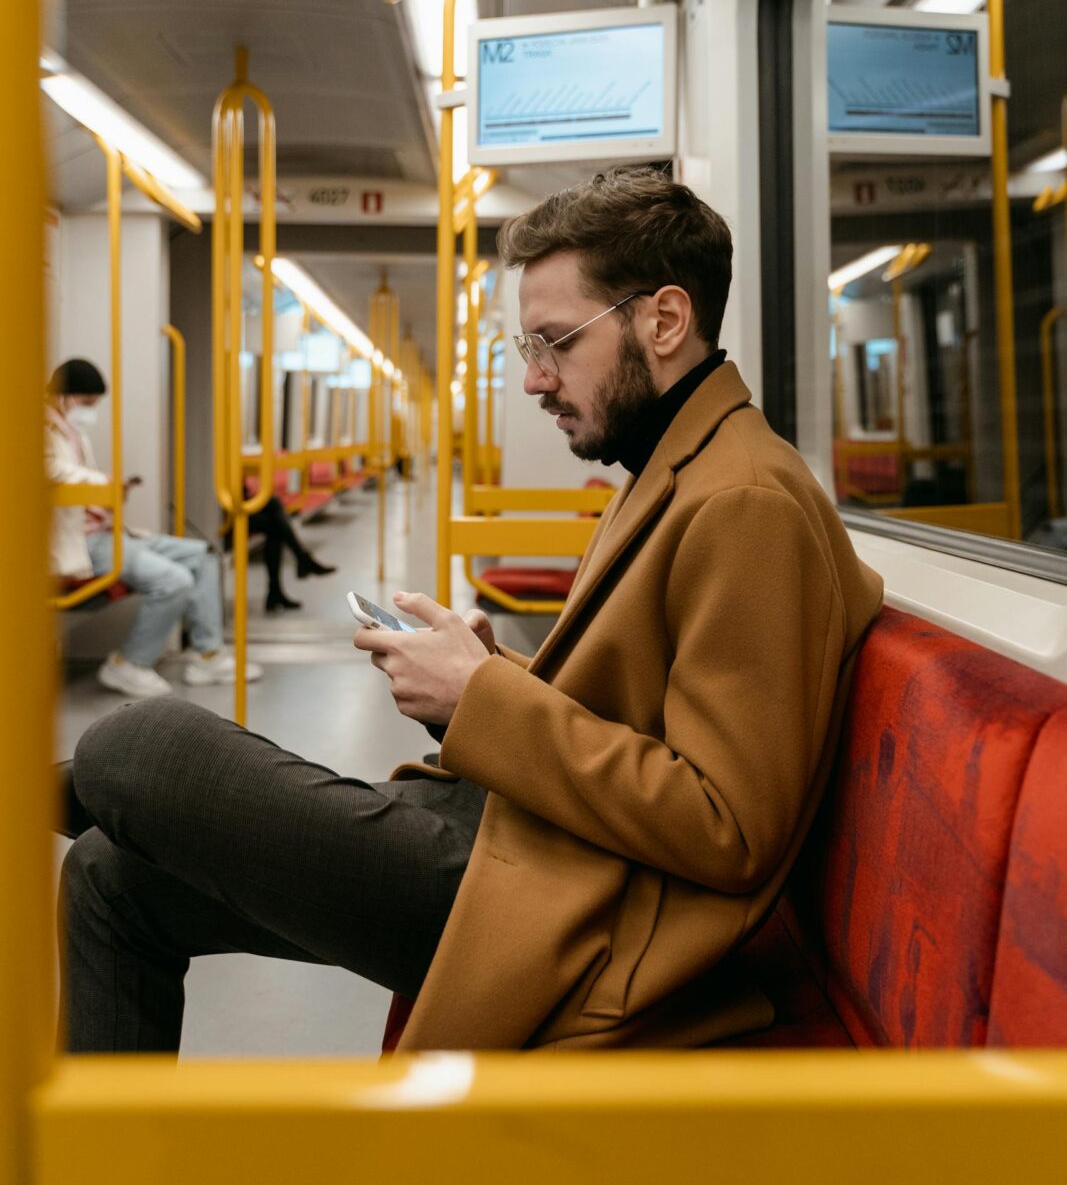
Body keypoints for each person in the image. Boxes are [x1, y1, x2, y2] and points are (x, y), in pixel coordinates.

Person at [59, 170, 883, 1054]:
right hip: (539, 841)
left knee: (138, 748)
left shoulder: (745, 500)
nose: (534, 379)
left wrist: (479, 700)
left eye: (556, 343)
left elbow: (727, 828)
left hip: (589, 913)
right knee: (108, 875)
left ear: (665, 320)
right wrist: (495, 673)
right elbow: (645, 721)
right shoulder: (675, 469)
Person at [47, 358, 261, 698]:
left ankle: (208, 654)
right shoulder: (38, 430)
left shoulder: (73, 433)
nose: (89, 412)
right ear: (63, 396)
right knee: (173, 581)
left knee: (204, 554)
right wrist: (103, 483)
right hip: (80, 542)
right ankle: (129, 663)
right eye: (86, 403)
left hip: (105, 533)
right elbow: (51, 472)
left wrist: (107, 489)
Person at [242, 490, 336, 612]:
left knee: (274, 506)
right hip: (230, 508)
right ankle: (302, 560)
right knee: (276, 526)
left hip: (242, 503)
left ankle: (276, 591)